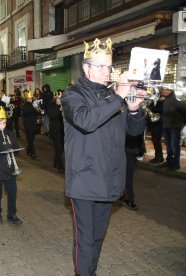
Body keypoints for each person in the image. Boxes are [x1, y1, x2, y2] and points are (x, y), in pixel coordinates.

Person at [60, 38, 146, 276]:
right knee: (85, 241)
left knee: (98, 238)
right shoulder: (72, 95)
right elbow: (86, 121)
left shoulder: (113, 97)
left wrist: (135, 109)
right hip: (85, 181)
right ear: (86, 68)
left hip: (109, 179)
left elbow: (134, 132)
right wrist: (118, 96)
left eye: (109, 67)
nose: (107, 72)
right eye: (101, 67)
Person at [158, 86, 186, 171]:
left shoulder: (177, 97)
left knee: (174, 146)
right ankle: (169, 161)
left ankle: (175, 165)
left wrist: (183, 123)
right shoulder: (167, 98)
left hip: (175, 127)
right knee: (168, 146)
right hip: (167, 126)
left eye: (162, 89)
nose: (160, 91)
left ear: (168, 89)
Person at [21, 90, 39, 159]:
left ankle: (28, 151)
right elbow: (24, 113)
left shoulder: (33, 104)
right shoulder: (24, 105)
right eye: (29, 98)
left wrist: (37, 109)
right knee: (30, 139)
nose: (30, 99)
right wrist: (33, 108)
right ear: (26, 99)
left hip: (33, 124)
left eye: (31, 98)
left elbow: (38, 113)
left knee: (32, 139)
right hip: (28, 125)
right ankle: (33, 153)